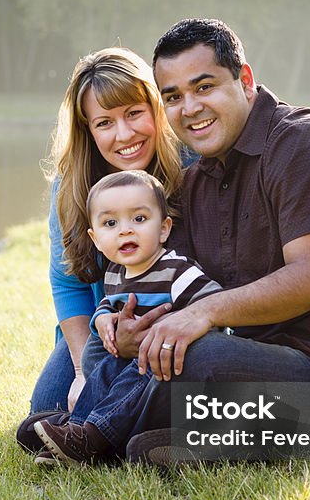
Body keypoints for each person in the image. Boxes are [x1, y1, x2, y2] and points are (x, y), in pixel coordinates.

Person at [104, 18, 310, 465]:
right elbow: (166, 278)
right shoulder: (195, 183)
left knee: (202, 356)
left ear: (244, 80)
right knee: (150, 350)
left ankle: (102, 436)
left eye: (203, 87)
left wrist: (203, 313)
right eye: (173, 97)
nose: (189, 108)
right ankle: (194, 438)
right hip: (257, 364)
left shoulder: (307, 145)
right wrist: (127, 331)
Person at [19, 47, 191, 453]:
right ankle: (95, 423)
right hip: (103, 328)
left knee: (139, 388)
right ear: (88, 130)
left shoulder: (189, 166)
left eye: (134, 113)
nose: (124, 135)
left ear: (156, 107)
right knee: (48, 403)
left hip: (174, 322)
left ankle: (107, 430)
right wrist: (83, 368)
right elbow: (68, 284)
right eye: (104, 123)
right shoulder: (72, 187)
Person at [32, 170, 221, 464]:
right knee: (106, 368)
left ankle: (93, 437)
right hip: (127, 356)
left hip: (166, 364)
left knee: (137, 371)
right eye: (111, 223)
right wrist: (103, 319)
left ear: (164, 229)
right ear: (95, 238)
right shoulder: (117, 272)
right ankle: (76, 432)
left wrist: (186, 329)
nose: (125, 230)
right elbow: (109, 302)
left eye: (140, 219)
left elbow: (214, 306)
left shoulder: (176, 271)